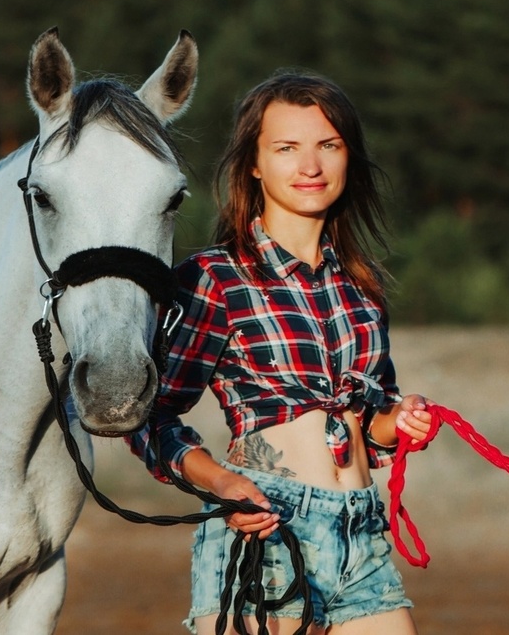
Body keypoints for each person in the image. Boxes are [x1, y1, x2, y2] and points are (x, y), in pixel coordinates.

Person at [128, 71, 432, 635]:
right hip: (266, 528)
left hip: (361, 531)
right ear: (255, 163)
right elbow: (148, 416)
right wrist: (220, 483)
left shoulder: (361, 287)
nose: (310, 166)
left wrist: (399, 419)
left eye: (328, 146)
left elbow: (370, 426)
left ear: (349, 157)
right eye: (286, 148)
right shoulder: (214, 278)